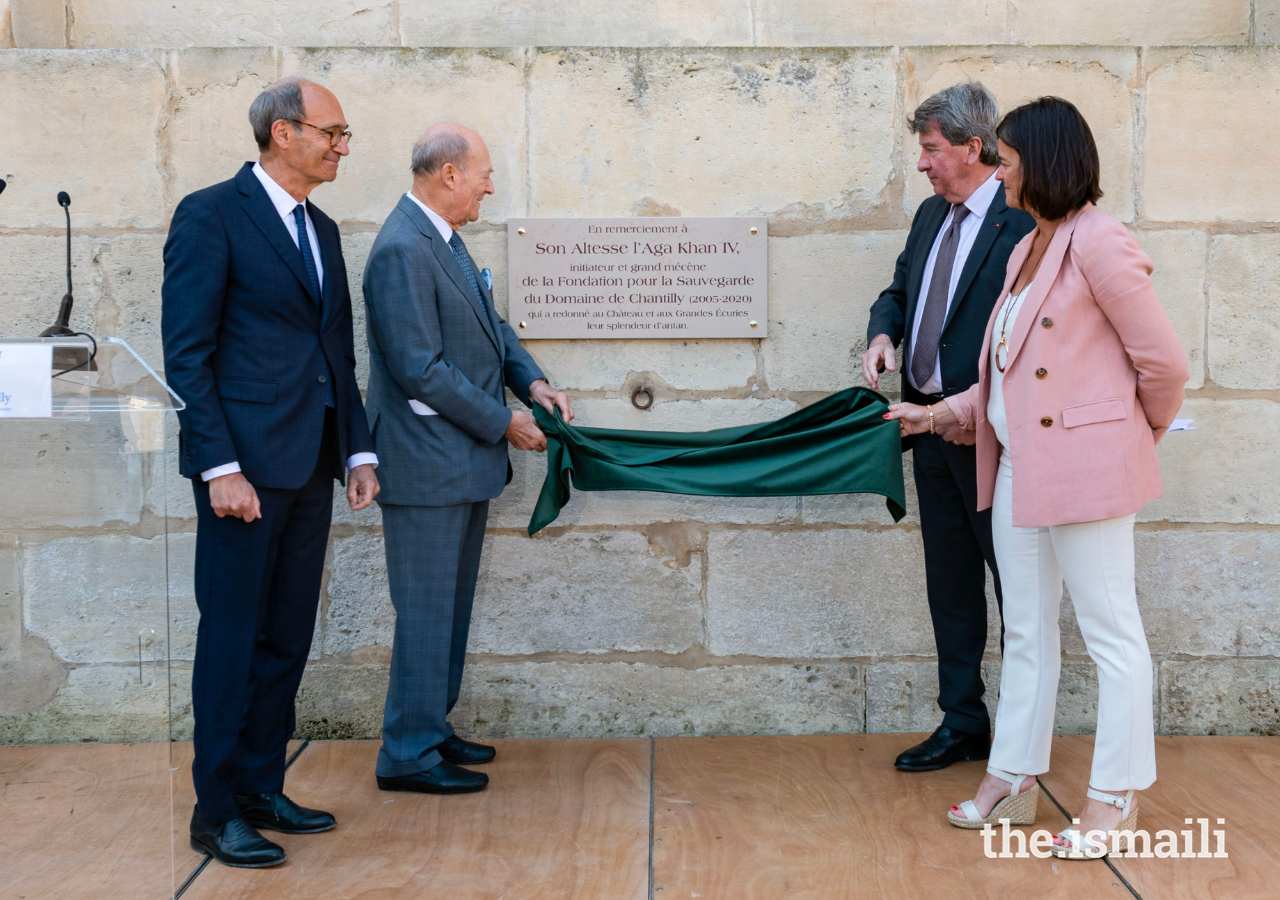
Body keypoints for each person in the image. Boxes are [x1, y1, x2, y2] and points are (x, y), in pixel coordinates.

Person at [887, 97, 1188, 858]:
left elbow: (1165, 365)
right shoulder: (1034, 246)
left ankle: (1113, 797)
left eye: (1011, 159)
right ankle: (1013, 776)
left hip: (1085, 472)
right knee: (1026, 626)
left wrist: (1125, 437)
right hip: (1018, 465)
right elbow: (1008, 374)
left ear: (1044, 162)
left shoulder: (1101, 241)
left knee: (1111, 633)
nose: (1002, 169)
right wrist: (938, 415)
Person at [162, 78, 379, 867]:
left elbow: (336, 351)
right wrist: (219, 466)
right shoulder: (210, 215)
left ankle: (259, 784)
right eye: (334, 131)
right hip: (242, 475)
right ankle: (214, 812)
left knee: (286, 636)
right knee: (231, 640)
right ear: (284, 132)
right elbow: (187, 354)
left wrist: (356, 450)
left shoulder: (322, 228)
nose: (343, 146)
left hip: (312, 464)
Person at [362, 122, 573, 795]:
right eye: (483, 173)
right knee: (425, 611)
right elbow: (420, 368)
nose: (489, 185)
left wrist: (532, 381)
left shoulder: (443, 242)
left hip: (457, 462)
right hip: (427, 466)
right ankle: (407, 755)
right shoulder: (402, 248)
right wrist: (505, 421)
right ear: (448, 173)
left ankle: (430, 728)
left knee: (447, 610)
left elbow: (492, 331)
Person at [863, 83, 1035, 771]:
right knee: (951, 587)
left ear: (973, 147)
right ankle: (963, 722)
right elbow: (899, 290)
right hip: (926, 430)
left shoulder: (1022, 224)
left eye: (931, 150)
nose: (923, 164)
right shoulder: (933, 215)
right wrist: (883, 333)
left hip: (992, 440)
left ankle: (1021, 743)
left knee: (1014, 589)